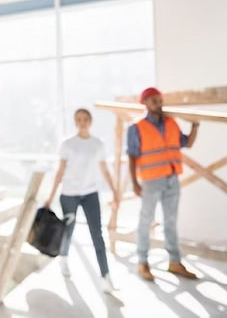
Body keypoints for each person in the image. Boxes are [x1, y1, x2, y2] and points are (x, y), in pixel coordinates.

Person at [127, 87, 200, 281]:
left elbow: (187, 143)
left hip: (172, 178)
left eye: (159, 100)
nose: (158, 104)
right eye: (153, 101)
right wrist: (134, 183)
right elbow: (132, 157)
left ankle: (174, 262)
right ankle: (143, 262)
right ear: (145, 103)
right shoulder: (137, 127)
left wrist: (195, 126)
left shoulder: (171, 123)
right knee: (146, 221)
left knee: (171, 221)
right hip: (151, 180)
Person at [44, 108, 119, 293]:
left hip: (90, 194)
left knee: (97, 234)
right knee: (68, 230)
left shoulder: (98, 145)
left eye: (85, 119)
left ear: (90, 121)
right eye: (78, 119)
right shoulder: (67, 144)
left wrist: (115, 193)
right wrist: (50, 197)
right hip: (69, 194)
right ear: (75, 122)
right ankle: (64, 258)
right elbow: (60, 171)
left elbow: (105, 170)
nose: (82, 122)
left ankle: (105, 276)